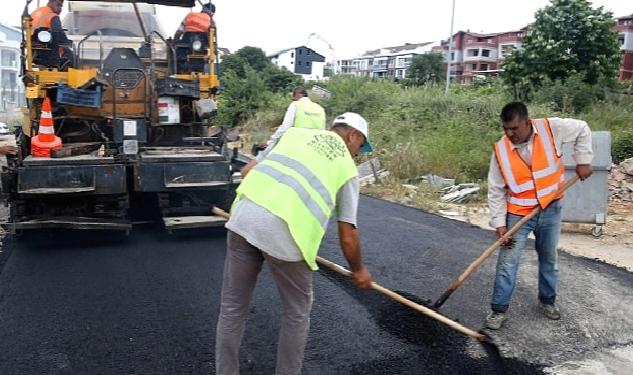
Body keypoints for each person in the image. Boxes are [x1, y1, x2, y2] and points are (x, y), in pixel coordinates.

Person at [215, 112, 374, 374]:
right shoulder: (346, 167)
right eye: (360, 146)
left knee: (232, 307)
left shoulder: (294, 135)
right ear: (352, 135)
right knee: (297, 314)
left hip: (243, 219)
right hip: (286, 236)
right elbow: (348, 234)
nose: (358, 153)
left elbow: (247, 170)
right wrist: (359, 270)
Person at [484, 101, 593, 330]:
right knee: (507, 263)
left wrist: (584, 160)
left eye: (514, 128)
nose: (509, 133)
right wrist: (499, 224)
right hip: (518, 214)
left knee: (549, 259)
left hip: (551, 209)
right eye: (506, 128)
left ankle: (547, 301)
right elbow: (495, 189)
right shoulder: (501, 150)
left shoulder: (551, 129)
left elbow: (583, 128)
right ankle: (498, 310)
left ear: (527, 121)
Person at [30, 0, 73, 68]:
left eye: (61, 6)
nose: (60, 9)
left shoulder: (35, 12)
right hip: (48, 55)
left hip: (33, 54)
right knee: (70, 55)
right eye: (58, 5)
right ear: (50, 3)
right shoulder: (52, 16)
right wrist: (68, 43)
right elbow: (60, 34)